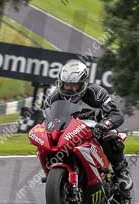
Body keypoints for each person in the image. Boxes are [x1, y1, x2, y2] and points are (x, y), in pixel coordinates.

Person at [43, 59, 133, 195]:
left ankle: (121, 172)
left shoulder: (96, 93)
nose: (70, 88)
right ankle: (55, 174)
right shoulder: (52, 98)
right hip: (68, 132)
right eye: (67, 85)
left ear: (83, 83)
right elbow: (47, 119)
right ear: (61, 83)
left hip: (95, 129)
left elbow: (116, 114)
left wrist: (105, 124)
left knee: (111, 136)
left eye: (75, 85)